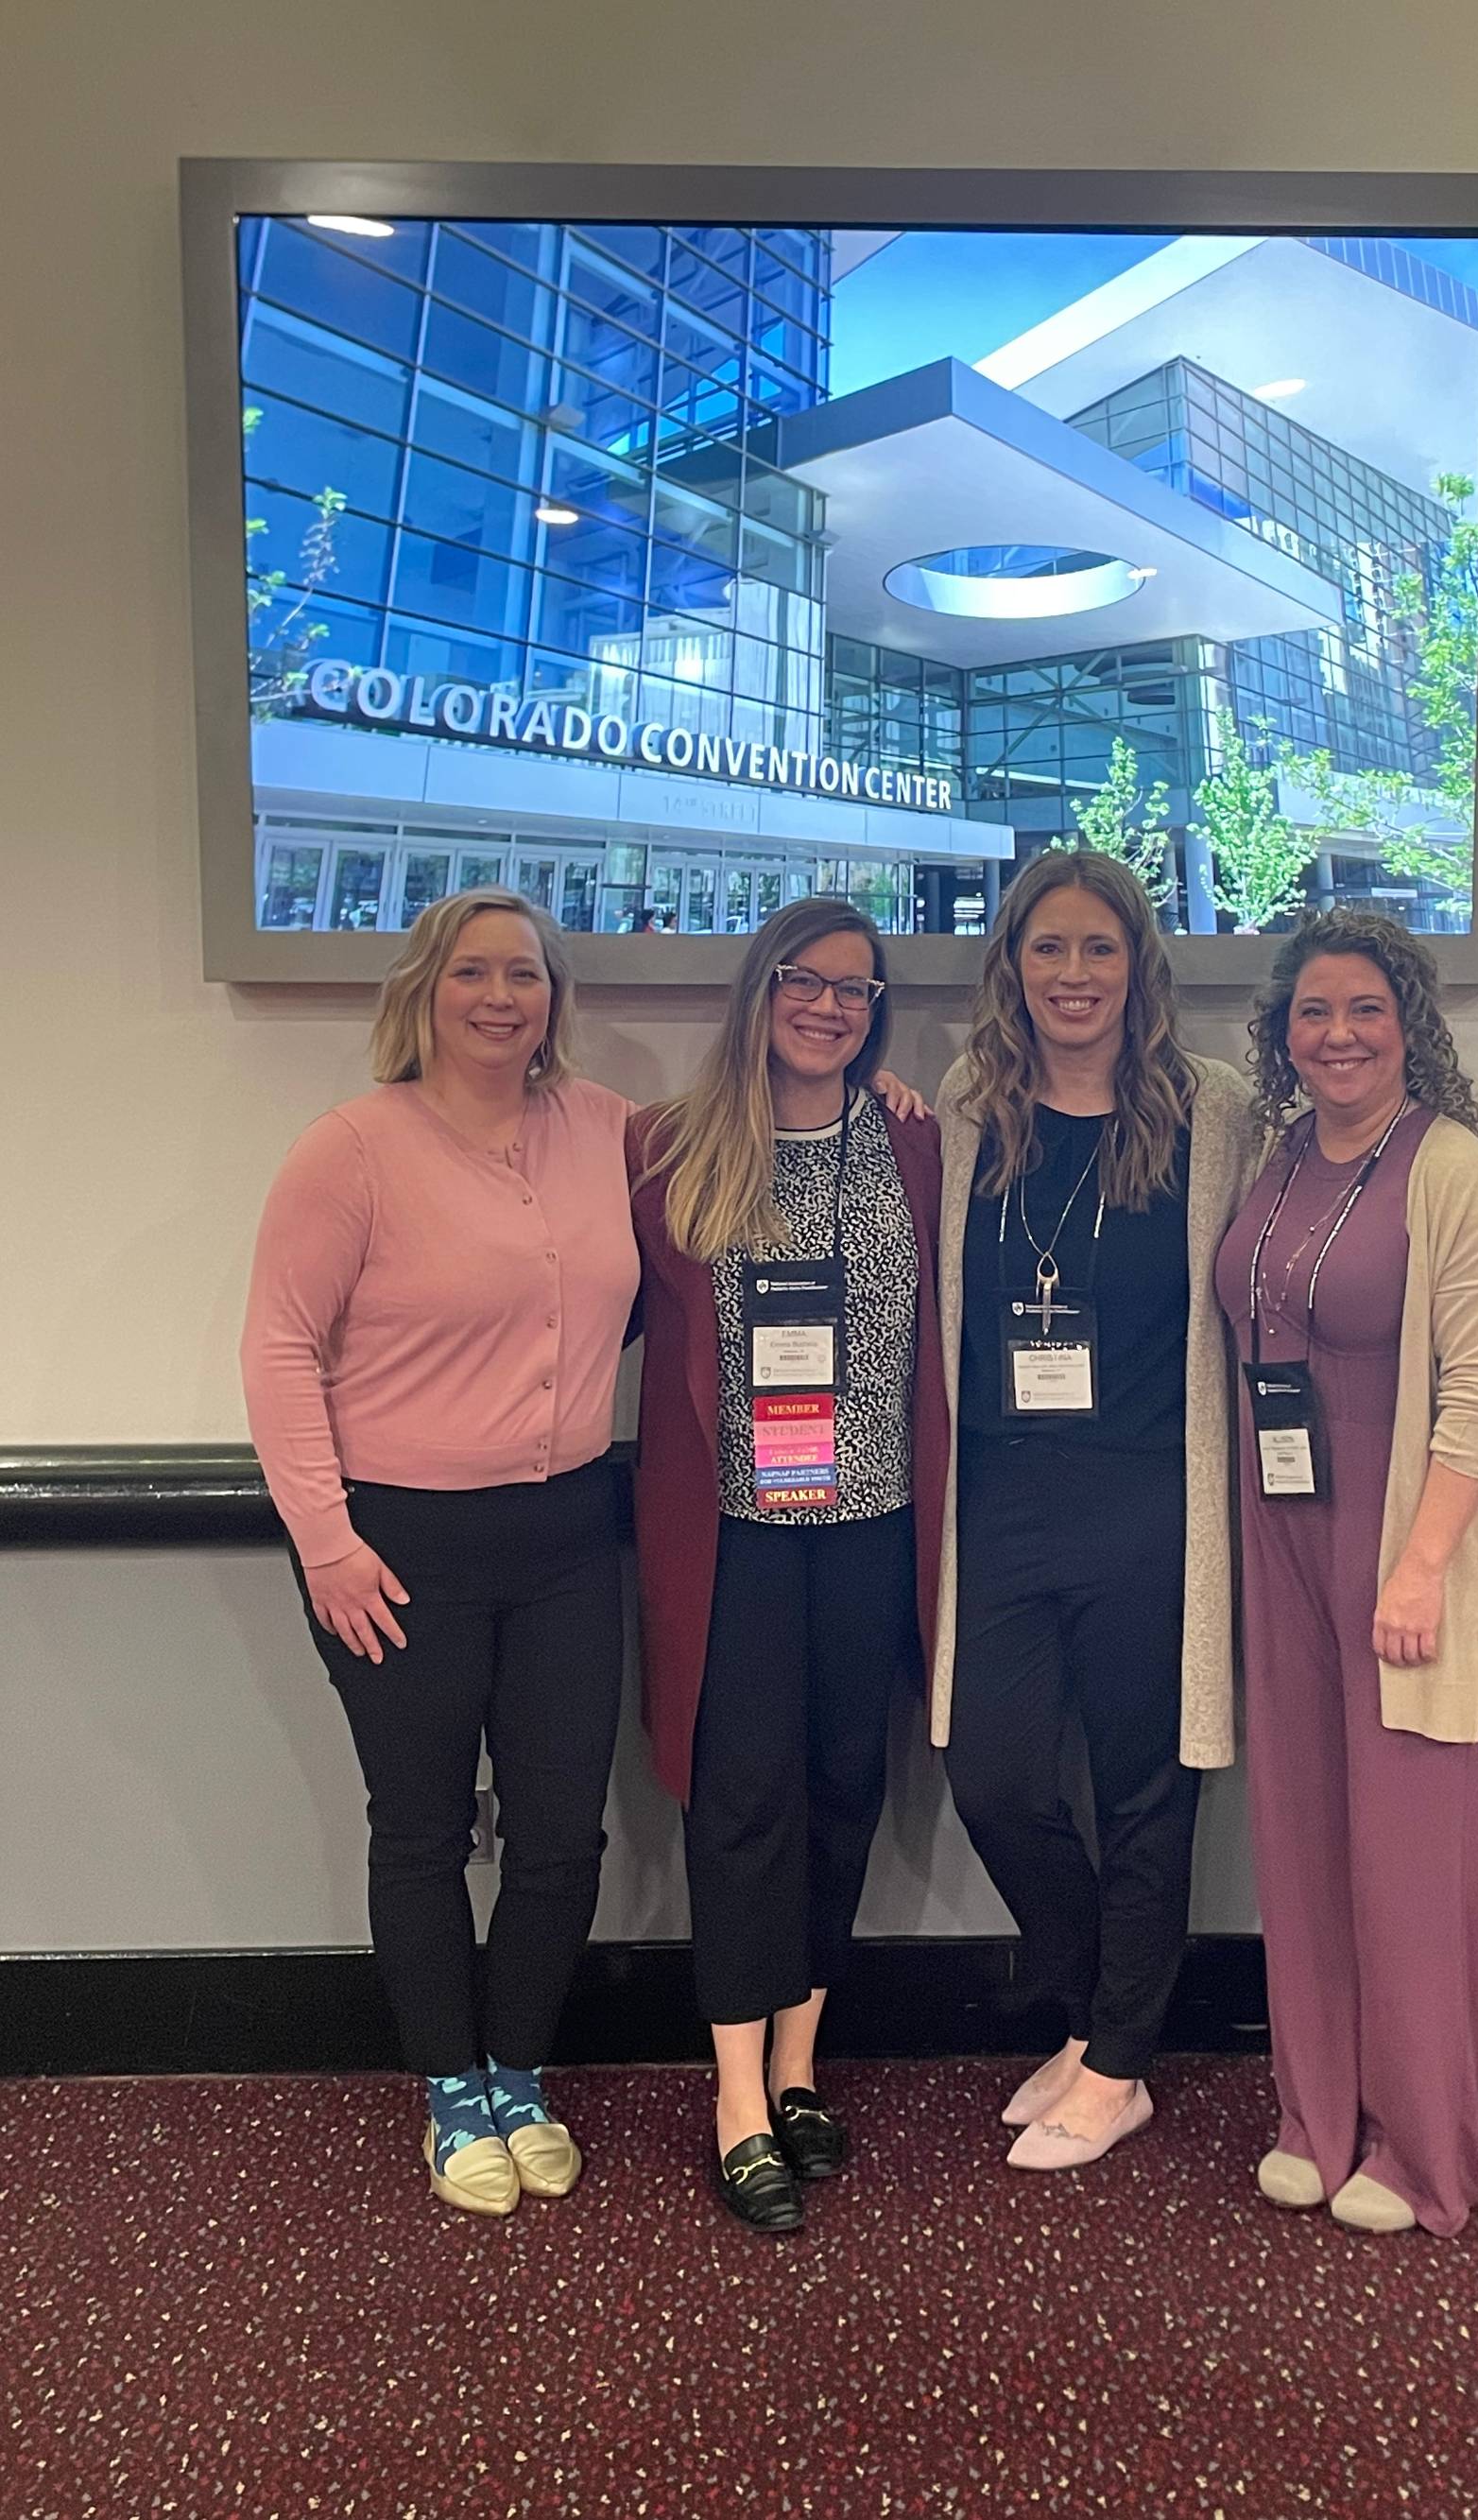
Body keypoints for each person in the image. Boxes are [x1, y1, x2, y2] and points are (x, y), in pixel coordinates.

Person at [241, 888, 640, 2219]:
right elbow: (279, 1348)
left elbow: (741, 1151)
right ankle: (450, 2092)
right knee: (420, 1830)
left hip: (569, 1534)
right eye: (471, 972)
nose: (499, 997)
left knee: (561, 1833)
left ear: (553, 997)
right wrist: (326, 1542)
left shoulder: (609, 1130)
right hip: (396, 1545)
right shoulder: (351, 1149)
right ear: (423, 989)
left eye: (524, 974)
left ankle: (518, 2073)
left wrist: (884, 1093)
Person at [931, 851, 1258, 2170]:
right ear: (1012, 964)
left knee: (1144, 1789)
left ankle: (1118, 2059)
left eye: (1100, 948)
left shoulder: (1213, 1113)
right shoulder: (967, 1110)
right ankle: (1092, 2009)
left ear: (1141, 966)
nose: (1074, 974)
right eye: (1048, 948)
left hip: (1149, 1502)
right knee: (993, 1775)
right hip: (1002, 1502)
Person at [627, 899, 948, 2235]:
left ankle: (802, 2067)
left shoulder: (914, 1141)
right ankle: (737, 2098)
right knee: (739, 1803)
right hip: (736, 1537)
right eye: (804, 981)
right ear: (758, 990)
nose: (828, 1006)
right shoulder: (666, 1149)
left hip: (872, 1525)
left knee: (841, 1791)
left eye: (855, 989)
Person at [1215, 909, 1478, 2237]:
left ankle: (1422, 2144)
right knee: (1302, 1832)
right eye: (1313, 1012)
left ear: (1410, 1028)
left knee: (1406, 1854)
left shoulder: (1456, 1172)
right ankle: (1318, 2115)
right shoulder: (1279, 1157)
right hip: (1283, 1531)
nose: (1337, 1035)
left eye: (1365, 1011)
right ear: (1282, 1033)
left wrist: (1422, 1567)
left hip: (1404, 1545)